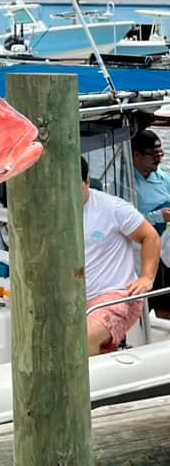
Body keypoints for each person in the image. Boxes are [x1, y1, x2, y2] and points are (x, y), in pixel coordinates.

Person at [82, 156, 160, 356]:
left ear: (87, 182)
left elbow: (149, 236)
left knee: (85, 336)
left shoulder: (114, 208)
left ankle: (92, 385)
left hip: (115, 294)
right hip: (72, 296)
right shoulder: (49, 212)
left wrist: (147, 277)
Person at [129, 128, 170, 319]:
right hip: (141, 249)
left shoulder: (163, 179)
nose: (159, 158)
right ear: (136, 155)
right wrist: (158, 216)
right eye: (154, 154)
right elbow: (127, 221)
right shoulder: (125, 183)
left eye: (160, 153)